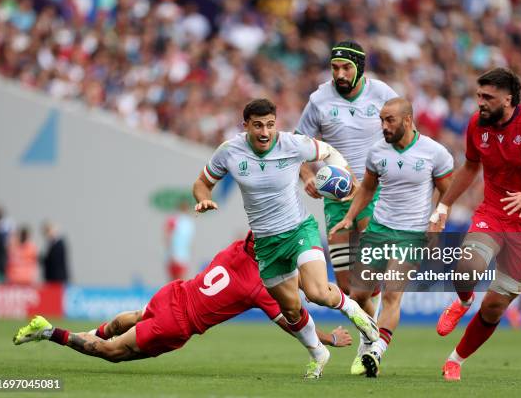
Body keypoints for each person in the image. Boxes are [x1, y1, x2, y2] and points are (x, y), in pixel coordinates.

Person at [192, 98, 378, 379]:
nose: (265, 132)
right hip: (265, 243)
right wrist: (204, 199)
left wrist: (345, 175)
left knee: (316, 292)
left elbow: (328, 152)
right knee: (291, 310)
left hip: (299, 229)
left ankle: (357, 314)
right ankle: (318, 353)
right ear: (246, 126)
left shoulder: (293, 144)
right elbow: (202, 183)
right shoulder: (230, 152)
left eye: (269, 125)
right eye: (258, 126)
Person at [429, 68, 521, 381]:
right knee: (467, 268)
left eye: (487, 97)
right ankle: (463, 300)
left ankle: (456, 359)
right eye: (479, 95)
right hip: (494, 211)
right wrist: (444, 204)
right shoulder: (475, 124)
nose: (480, 102)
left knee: (496, 305)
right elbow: (470, 167)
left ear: (508, 99)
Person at [13, 233, 352, 363]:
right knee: (113, 353)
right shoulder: (262, 286)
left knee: (128, 319)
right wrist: (327, 339)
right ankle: (47, 331)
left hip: (174, 292)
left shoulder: (235, 248)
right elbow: (294, 323)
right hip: (178, 322)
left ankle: (94, 330)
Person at [330, 98, 454, 377]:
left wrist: (438, 219)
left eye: (390, 120)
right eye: (382, 120)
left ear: (407, 120)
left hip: (411, 234)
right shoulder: (377, 152)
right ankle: (368, 339)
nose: (384, 126)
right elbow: (367, 189)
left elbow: (448, 192)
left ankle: (376, 351)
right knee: (359, 294)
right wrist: (350, 217)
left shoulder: (434, 152)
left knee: (392, 294)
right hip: (378, 230)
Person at [295, 41, 399, 374]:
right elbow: (298, 148)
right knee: (345, 289)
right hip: (335, 202)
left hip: (374, 193)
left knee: (363, 281)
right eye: (335, 68)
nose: (340, 74)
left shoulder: (382, 94)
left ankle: (371, 346)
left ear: (360, 68)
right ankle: (370, 339)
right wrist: (308, 176)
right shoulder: (319, 100)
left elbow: (406, 138)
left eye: (346, 68)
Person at [165, 199, 195, 280]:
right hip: (176, 257)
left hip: (181, 257)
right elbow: (168, 237)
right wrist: (172, 254)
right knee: (178, 282)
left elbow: (167, 237)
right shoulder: (177, 220)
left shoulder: (188, 222)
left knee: (178, 282)